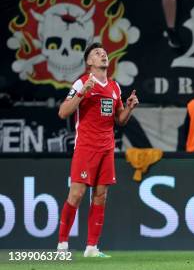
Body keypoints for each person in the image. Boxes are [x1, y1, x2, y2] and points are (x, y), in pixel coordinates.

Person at [57, 42, 139, 257]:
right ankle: (62, 246)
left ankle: (91, 248)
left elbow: (119, 120)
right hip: (86, 147)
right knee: (76, 194)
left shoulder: (114, 87)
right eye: (97, 53)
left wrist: (129, 108)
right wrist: (82, 93)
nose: (103, 55)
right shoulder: (82, 82)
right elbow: (63, 112)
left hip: (107, 148)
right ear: (89, 62)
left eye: (104, 53)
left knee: (101, 196)